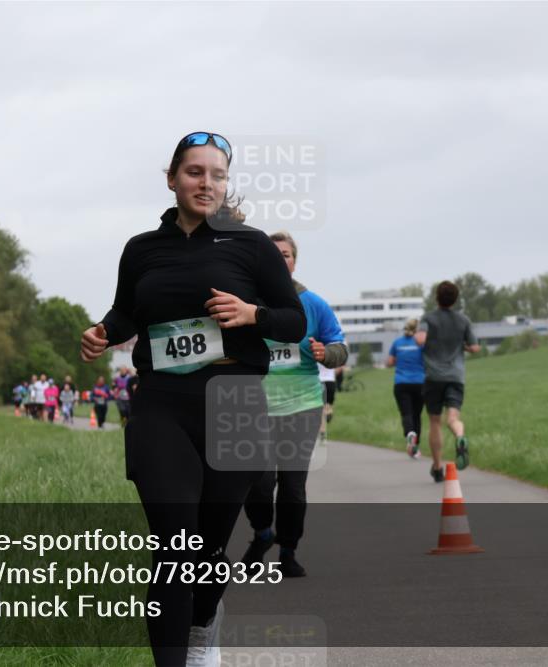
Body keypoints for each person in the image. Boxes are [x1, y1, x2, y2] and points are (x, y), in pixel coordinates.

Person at [80, 131, 304, 667]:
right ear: (173, 178)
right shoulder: (141, 250)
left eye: (217, 174)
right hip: (162, 403)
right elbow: (127, 312)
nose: (206, 183)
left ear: (227, 183)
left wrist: (255, 316)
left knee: (207, 552)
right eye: (195, 172)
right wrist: (103, 333)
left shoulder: (250, 246)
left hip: (234, 403)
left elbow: (293, 322)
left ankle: (204, 623)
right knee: (174, 548)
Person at [241, 231, 347, 579]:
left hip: (302, 405)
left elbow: (339, 347)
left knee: (291, 486)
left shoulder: (313, 304)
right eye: (273, 254)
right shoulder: (247, 302)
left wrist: (325, 353)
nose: (280, 259)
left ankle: (288, 551)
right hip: (255, 407)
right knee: (257, 483)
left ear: (294, 261)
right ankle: (263, 534)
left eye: (285, 254)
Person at [415, 281, 480, 481]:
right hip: (456, 377)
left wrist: (426, 339)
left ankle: (437, 467)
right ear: (455, 298)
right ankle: (460, 437)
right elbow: (475, 347)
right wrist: (463, 346)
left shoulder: (428, 318)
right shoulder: (463, 320)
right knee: (452, 419)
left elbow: (420, 340)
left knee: (435, 422)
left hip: (433, 377)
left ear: (436, 297)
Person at [387, 317, 426, 459]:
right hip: (420, 383)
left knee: (406, 413)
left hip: (401, 383)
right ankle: (416, 448)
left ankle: (410, 434)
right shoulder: (421, 344)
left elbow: (389, 362)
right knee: (417, 415)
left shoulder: (397, 343)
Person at [317, 361, 336, 443]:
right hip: (330, 381)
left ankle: (322, 432)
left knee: (321, 410)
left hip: (320, 381)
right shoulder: (332, 355)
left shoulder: (316, 354)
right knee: (328, 405)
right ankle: (329, 412)